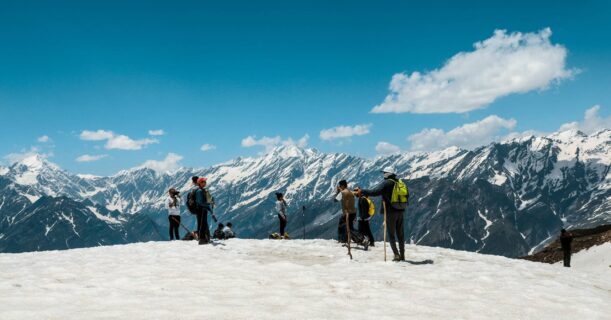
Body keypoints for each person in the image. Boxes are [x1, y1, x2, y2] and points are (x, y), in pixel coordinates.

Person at [356, 167, 407, 262]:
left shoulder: (387, 183)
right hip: (400, 210)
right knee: (400, 234)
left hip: (390, 212)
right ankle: (402, 255)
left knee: (391, 234)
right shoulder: (399, 182)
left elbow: (375, 192)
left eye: (384, 173)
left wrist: (362, 191)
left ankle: (396, 255)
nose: (383, 174)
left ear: (387, 174)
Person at [195, 177, 215, 245]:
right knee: (202, 224)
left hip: (203, 209)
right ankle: (202, 239)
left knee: (203, 224)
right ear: (200, 183)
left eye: (205, 182)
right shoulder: (200, 191)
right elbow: (200, 202)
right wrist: (209, 203)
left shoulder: (202, 190)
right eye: (203, 182)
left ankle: (204, 239)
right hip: (201, 209)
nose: (205, 183)